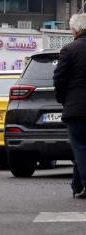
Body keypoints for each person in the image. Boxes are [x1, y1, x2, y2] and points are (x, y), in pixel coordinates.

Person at [54, 13, 86, 199]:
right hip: (76, 107)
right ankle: (77, 185)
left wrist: (63, 99)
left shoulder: (69, 50)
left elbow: (59, 79)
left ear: (75, 31)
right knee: (81, 148)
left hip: (77, 110)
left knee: (80, 146)